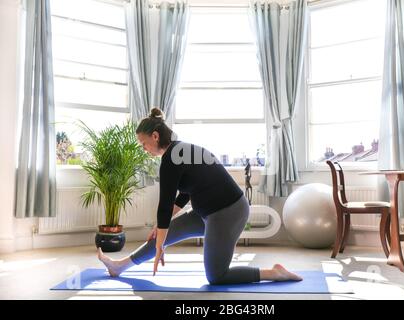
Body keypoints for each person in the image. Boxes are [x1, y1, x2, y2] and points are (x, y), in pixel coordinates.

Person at [97, 107, 302, 285]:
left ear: (155, 137)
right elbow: (185, 194)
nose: (144, 149)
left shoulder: (171, 159)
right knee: (161, 233)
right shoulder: (180, 150)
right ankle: (119, 267)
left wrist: (161, 234)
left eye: (143, 144)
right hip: (206, 212)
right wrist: (160, 231)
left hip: (227, 213)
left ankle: (274, 273)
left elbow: (165, 205)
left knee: (216, 276)